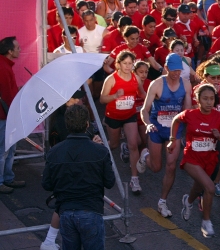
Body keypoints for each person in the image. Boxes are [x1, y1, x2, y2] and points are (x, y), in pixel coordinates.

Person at [42, 105, 115, 250]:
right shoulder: (100, 151)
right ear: (87, 124)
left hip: (66, 213)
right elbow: (110, 182)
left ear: (67, 124)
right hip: (91, 211)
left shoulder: (54, 152)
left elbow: (47, 184)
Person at [170, 84, 220, 238]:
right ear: (197, 99)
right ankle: (206, 222)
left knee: (198, 186)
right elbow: (176, 120)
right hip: (192, 158)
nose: (209, 102)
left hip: (209, 159)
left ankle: (188, 201)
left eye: (211, 99)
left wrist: (219, 137)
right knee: (209, 188)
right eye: (205, 99)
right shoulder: (189, 114)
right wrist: (172, 139)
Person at [137, 53, 192, 218]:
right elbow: (144, 110)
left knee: (171, 165)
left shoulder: (186, 84)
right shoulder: (157, 84)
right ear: (166, 68)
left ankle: (162, 201)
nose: (176, 74)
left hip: (174, 131)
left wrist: (187, 132)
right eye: (173, 70)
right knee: (156, 168)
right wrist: (148, 124)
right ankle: (144, 155)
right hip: (157, 128)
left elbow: (186, 111)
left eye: (179, 71)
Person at [100, 50, 145, 194]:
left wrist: (156, 96)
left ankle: (134, 179)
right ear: (118, 64)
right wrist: (115, 95)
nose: (127, 66)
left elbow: (142, 93)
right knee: (113, 144)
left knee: (133, 144)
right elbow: (102, 99)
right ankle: (98, 158)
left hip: (129, 115)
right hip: (113, 116)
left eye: (130, 63)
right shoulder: (111, 79)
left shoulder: (135, 78)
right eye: (124, 63)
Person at [0, 36, 24, 194]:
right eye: (17, 47)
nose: (19, 50)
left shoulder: (5, 65)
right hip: (5, 116)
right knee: (3, 150)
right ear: (9, 51)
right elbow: (8, 95)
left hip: (7, 115)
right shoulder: (3, 68)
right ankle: (2, 181)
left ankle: (7, 178)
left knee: (9, 149)